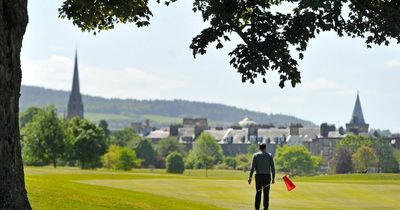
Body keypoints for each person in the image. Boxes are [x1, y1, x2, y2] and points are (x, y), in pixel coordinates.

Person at [248, 142, 275, 210]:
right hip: (267, 177)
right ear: (265, 148)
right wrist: (273, 178)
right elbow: (272, 168)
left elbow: (252, 168)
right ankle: (265, 208)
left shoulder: (255, 155)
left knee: (258, 192)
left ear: (259, 148)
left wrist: (250, 177)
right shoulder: (269, 155)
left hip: (259, 176)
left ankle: (257, 208)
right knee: (266, 193)